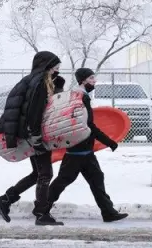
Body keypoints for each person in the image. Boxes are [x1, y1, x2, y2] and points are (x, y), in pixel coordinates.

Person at [44, 68, 128, 223]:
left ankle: (108, 212)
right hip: (78, 149)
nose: (94, 81)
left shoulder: (77, 95)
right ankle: (42, 209)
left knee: (96, 179)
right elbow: (88, 125)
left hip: (82, 149)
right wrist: (108, 141)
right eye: (91, 78)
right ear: (83, 80)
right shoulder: (81, 97)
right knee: (63, 180)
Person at [0, 51, 62, 226]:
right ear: (46, 66)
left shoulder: (33, 80)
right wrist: (36, 137)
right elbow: (34, 113)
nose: (57, 70)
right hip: (35, 135)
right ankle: (41, 214)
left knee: (38, 173)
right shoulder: (39, 84)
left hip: (31, 133)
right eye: (55, 67)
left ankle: (5, 200)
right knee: (45, 174)